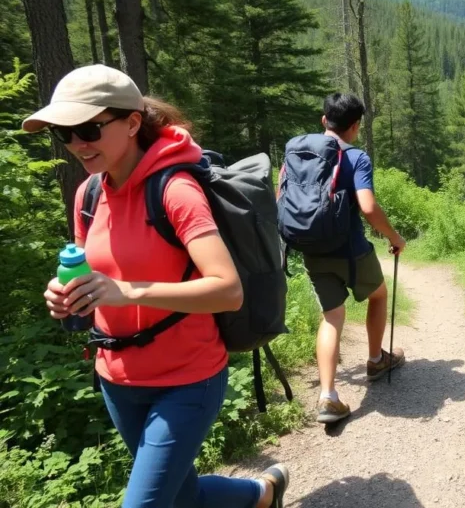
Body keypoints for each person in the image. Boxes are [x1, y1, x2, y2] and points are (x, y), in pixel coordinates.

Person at [29, 64, 288, 508]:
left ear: (132, 123)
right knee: (181, 497)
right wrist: (64, 294)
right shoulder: (88, 195)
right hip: (117, 378)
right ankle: (263, 494)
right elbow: (89, 273)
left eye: (88, 129)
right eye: (64, 134)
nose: (77, 144)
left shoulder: (175, 191)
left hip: (187, 378)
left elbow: (228, 290)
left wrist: (127, 290)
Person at [281, 93, 407, 425]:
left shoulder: (296, 153)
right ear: (355, 126)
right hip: (351, 250)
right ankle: (376, 360)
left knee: (332, 317)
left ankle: (328, 397)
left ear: (324, 120)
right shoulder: (356, 157)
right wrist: (395, 238)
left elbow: (282, 196)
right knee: (378, 295)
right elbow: (367, 206)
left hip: (312, 250)